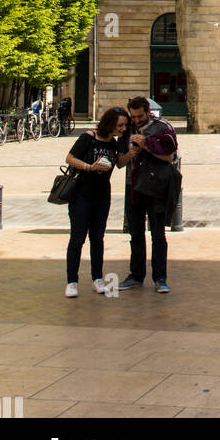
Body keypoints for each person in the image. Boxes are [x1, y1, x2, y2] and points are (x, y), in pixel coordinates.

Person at [64, 107, 129, 298]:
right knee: (77, 238)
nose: (123, 128)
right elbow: (69, 158)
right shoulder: (88, 137)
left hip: (102, 196)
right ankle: (72, 281)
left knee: (97, 238)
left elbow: (119, 164)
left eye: (125, 125)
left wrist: (131, 153)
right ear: (109, 123)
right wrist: (89, 167)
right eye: (120, 125)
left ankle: (97, 279)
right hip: (81, 194)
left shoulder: (114, 143)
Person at [118, 96, 178, 294]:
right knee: (136, 234)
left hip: (155, 187)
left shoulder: (162, 127)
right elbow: (120, 161)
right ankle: (136, 275)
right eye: (133, 116)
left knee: (158, 234)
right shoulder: (127, 129)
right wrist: (129, 154)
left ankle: (160, 277)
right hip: (133, 186)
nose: (136, 120)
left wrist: (146, 145)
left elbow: (169, 157)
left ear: (147, 111)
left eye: (140, 116)